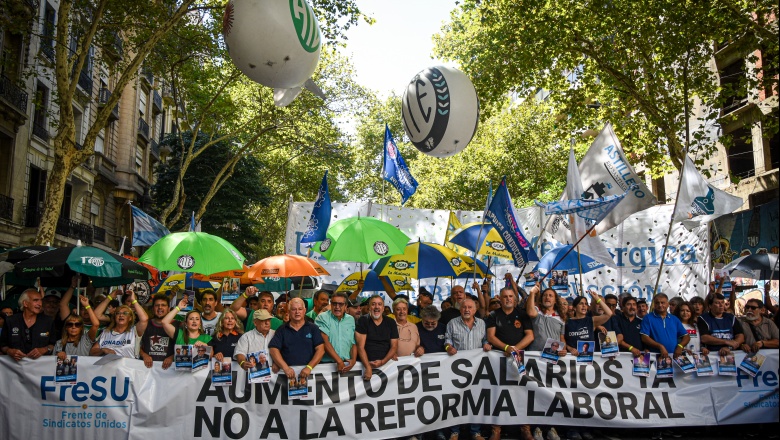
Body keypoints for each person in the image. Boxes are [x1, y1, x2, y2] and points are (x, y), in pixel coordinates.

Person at [485, 286, 534, 440]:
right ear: (500, 298)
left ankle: (525, 428)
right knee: (498, 393)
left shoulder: (523, 314)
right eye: (505, 296)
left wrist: (514, 349)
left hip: (519, 358)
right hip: (498, 358)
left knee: (522, 392)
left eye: (510, 296)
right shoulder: (493, 315)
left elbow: (530, 336)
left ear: (515, 298)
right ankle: (496, 429)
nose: (508, 299)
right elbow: (491, 337)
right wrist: (506, 347)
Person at [444, 297, 490, 440]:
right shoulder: (452, 323)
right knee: (456, 400)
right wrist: (448, 347)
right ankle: (454, 431)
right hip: (457, 369)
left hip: (477, 369)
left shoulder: (481, 323)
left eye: (470, 307)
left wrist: (487, 344)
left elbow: (485, 340)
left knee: (476, 400)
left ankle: (475, 432)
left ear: (475, 310)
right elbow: (447, 341)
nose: (467, 310)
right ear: (460, 309)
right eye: (464, 307)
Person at [269, 298, 325, 381]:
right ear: (289, 311)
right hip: (287, 376)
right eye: (294, 309)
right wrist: (285, 367)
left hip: (311, 374)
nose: (297, 312)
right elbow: (273, 349)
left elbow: (321, 350)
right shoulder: (281, 329)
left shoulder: (313, 328)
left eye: (300, 309)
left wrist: (309, 367)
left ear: (304, 311)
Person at [1, 288, 56, 361]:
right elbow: (3, 346)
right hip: (15, 366)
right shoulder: (11, 321)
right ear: (25, 303)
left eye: (41, 300)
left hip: (40, 366)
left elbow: (53, 345)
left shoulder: (48, 321)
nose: (40, 304)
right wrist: (9, 351)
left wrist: (44, 349)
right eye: (35, 300)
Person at [90, 290, 148, 358]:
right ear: (114, 317)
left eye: (125, 313)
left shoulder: (135, 329)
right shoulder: (106, 332)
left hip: (128, 364)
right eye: (118, 313)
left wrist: (134, 300)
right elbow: (96, 315)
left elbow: (144, 319)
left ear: (130, 318)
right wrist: (110, 297)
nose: (121, 315)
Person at [356, 295, 399, 380]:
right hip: (365, 365)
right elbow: (360, 347)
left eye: (379, 304)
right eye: (373, 304)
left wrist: (383, 362)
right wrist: (367, 367)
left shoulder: (391, 322)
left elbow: (394, 346)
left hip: (387, 365)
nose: (376, 307)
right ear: (369, 307)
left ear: (383, 308)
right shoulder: (363, 320)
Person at [315, 291, 357, 374]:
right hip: (326, 365)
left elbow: (353, 342)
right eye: (334, 304)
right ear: (331, 304)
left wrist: (353, 360)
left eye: (340, 304)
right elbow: (324, 341)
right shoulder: (322, 317)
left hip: (346, 364)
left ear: (346, 306)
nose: (337, 307)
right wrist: (339, 361)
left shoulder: (350, 319)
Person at [640, 293, 690, 359]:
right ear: (654, 305)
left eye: (662, 303)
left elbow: (686, 336)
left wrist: (680, 346)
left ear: (667, 304)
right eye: (657, 303)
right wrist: (660, 346)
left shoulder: (674, 319)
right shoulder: (648, 318)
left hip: (674, 357)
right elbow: (644, 337)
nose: (660, 305)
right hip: (656, 357)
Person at [140, 294, 177, 369]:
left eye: (163, 305)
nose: (160, 307)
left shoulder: (178, 325)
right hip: (147, 370)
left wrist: (172, 357)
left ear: (168, 309)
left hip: (171, 371)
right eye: (157, 305)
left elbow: (184, 346)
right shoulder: (145, 324)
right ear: (153, 309)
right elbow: (134, 345)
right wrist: (144, 355)